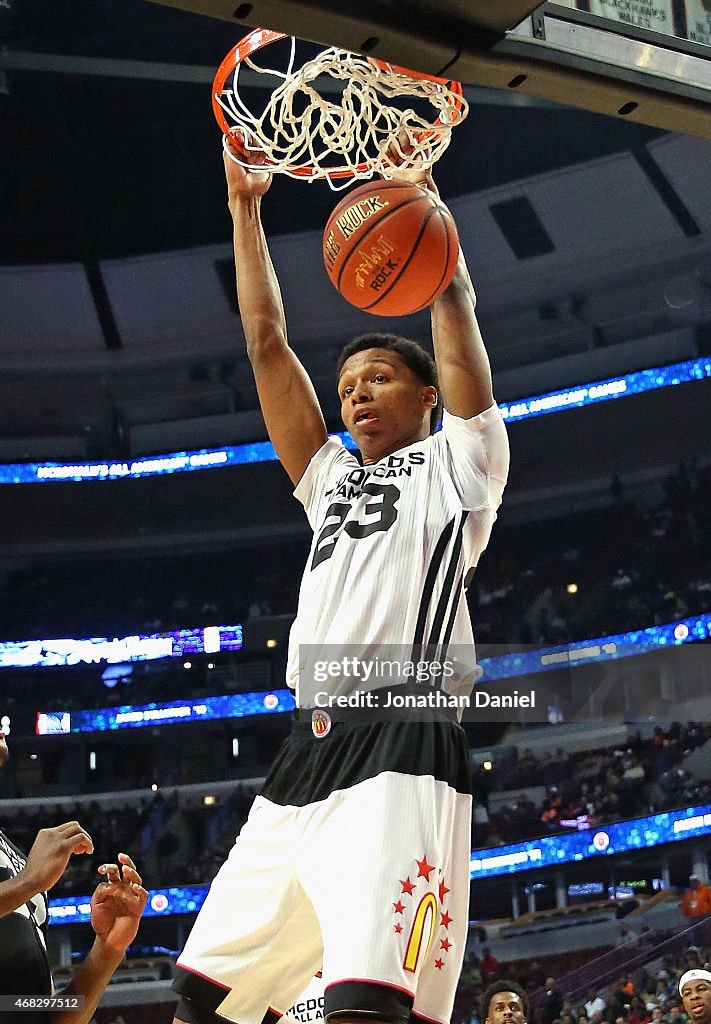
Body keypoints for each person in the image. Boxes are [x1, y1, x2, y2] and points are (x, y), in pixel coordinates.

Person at [171, 138, 509, 1024]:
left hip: (400, 737)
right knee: (202, 1000)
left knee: (365, 1002)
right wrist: (246, 209)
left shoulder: (460, 461)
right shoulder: (328, 479)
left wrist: (436, 240)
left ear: (427, 396)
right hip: (304, 749)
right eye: (348, 383)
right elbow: (264, 340)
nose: (356, 394)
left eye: (379, 378)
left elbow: (456, 313)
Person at [0, 727, 149, 1023]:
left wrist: (106, 950)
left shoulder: (14, 856)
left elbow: (30, 1009)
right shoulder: (27, 876)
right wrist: (28, 881)